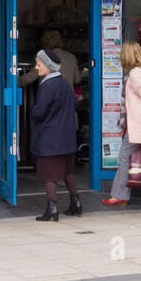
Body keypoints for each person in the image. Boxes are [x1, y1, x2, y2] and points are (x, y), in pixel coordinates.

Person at [30, 50, 81, 221]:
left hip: (49, 138)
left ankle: (52, 207)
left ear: (49, 66)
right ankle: (76, 203)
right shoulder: (65, 84)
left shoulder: (46, 86)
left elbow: (39, 112)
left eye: (39, 64)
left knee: (48, 175)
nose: (36, 67)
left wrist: (33, 111)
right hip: (67, 137)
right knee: (68, 172)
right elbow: (74, 105)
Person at [103, 41, 141, 207]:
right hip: (136, 124)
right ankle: (120, 194)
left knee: (124, 156)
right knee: (128, 156)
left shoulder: (134, 75)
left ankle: (120, 195)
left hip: (138, 124)